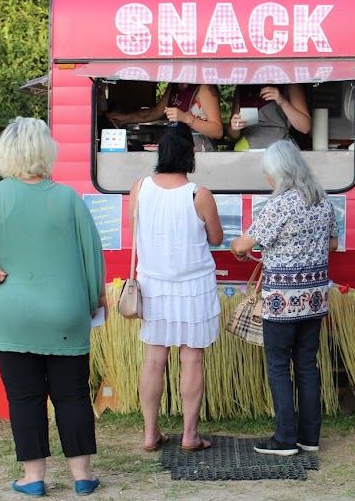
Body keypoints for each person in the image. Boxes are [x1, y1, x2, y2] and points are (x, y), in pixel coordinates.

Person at [0, 117, 106, 498]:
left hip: (10, 313)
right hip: (65, 313)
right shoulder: (66, 197)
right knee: (73, 394)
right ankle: (82, 475)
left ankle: (33, 478)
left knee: (25, 397)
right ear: (47, 151)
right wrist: (95, 300)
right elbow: (91, 257)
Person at [230, 140, 338, 456]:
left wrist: (239, 245)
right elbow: (332, 244)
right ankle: (310, 437)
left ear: (279, 173)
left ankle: (284, 439)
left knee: (278, 365)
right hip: (315, 298)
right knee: (306, 364)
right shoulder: (322, 201)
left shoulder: (278, 205)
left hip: (282, 301)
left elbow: (243, 245)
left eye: (269, 172)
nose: (267, 178)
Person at [130, 121, 223, 453]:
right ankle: (189, 436)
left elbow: (136, 230)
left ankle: (150, 433)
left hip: (153, 284)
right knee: (192, 360)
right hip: (194, 287)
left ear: (158, 151)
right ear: (191, 152)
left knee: (154, 359)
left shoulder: (139, 188)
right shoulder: (200, 194)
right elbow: (216, 238)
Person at [109, 82, 223, 150]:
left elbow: (217, 131)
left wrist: (186, 118)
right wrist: (127, 118)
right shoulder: (175, 84)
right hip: (177, 148)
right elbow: (157, 112)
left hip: (200, 150)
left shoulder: (205, 88)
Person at [227, 84, 311, 151]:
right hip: (248, 149)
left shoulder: (290, 83)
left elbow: (305, 127)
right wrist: (235, 126)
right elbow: (233, 134)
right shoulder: (243, 86)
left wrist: (282, 101)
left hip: (280, 149)